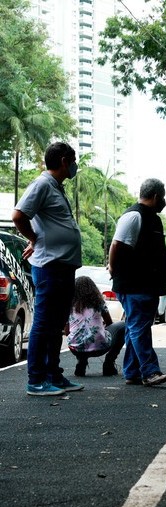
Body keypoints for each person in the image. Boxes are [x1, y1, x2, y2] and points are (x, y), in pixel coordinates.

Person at [13, 142, 84, 396]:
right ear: (64, 160)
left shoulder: (56, 187)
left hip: (63, 265)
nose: (75, 165)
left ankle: (54, 374)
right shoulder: (42, 185)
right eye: (73, 159)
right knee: (44, 323)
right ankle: (36, 380)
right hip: (50, 265)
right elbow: (19, 215)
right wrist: (34, 239)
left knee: (56, 324)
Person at [109, 178, 166, 387]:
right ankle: (150, 371)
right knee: (138, 327)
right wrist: (113, 267)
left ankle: (132, 371)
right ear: (155, 196)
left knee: (135, 327)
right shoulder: (134, 215)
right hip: (133, 284)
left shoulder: (154, 219)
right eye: (163, 197)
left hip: (148, 284)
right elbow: (116, 245)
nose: (164, 201)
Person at [65, 275, 125, 377]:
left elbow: (67, 332)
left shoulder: (68, 305)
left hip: (76, 348)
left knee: (79, 336)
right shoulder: (99, 303)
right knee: (123, 326)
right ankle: (109, 363)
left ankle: (81, 361)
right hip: (100, 348)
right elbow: (110, 323)